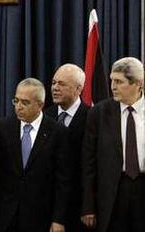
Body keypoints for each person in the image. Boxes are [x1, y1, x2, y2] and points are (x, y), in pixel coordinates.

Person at [0, 78, 71, 232]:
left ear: (40, 104)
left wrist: (58, 219)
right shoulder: (2, 128)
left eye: (25, 103)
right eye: (16, 101)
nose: (18, 107)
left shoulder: (58, 132)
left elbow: (63, 181)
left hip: (41, 217)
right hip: (5, 216)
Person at [81, 57, 144, 232]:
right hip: (113, 193)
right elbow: (88, 163)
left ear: (137, 83)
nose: (112, 87)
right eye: (112, 80)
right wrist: (88, 205)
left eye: (119, 82)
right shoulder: (99, 113)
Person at [45, 64, 90, 232]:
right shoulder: (45, 116)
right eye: (54, 83)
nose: (55, 88)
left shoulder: (92, 117)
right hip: (47, 206)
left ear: (78, 88)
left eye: (62, 84)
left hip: (78, 208)